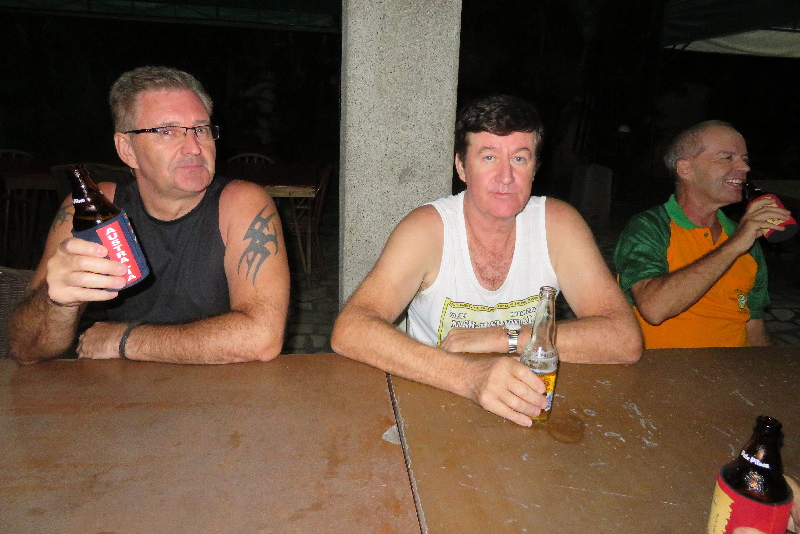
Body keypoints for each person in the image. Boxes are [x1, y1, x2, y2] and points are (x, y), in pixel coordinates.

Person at [331, 94, 642, 427]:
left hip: (529, 402)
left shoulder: (558, 225)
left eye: (520, 159)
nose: (506, 176)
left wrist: (502, 337)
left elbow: (623, 338)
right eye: (489, 157)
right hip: (434, 400)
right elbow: (351, 330)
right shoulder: (427, 230)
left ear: (535, 168)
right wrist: (470, 377)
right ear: (461, 167)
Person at [9, 66, 290, 364]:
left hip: (222, 380)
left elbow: (262, 337)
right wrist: (57, 303)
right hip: (127, 385)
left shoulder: (241, 203)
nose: (194, 148)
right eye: (167, 132)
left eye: (201, 129)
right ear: (127, 149)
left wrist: (124, 339)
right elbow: (25, 350)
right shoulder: (96, 209)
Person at [614, 120, 790, 348]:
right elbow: (654, 309)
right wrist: (735, 243)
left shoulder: (745, 237)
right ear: (685, 169)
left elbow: (754, 325)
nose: (745, 168)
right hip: (665, 369)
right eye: (727, 157)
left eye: (744, 160)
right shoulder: (650, 227)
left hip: (735, 368)